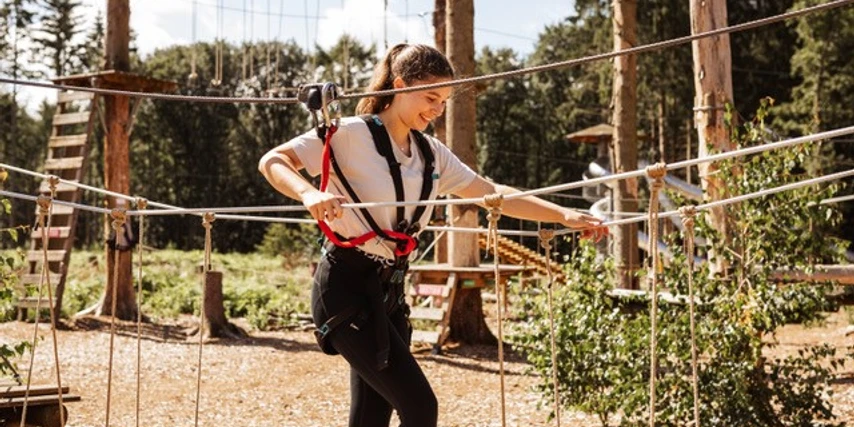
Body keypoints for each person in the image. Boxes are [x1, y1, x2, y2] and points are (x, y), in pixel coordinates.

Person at [259, 43, 607, 427]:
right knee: (420, 407)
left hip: (388, 294)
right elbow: (274, 161)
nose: (438, 109)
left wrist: (563, 216)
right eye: (430, 97)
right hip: (343, 288)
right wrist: (310, 192)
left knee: (370, 419)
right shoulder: (349, 134)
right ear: (400, 85)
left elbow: (492, 193)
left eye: (443, 100)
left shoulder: (433, 154)